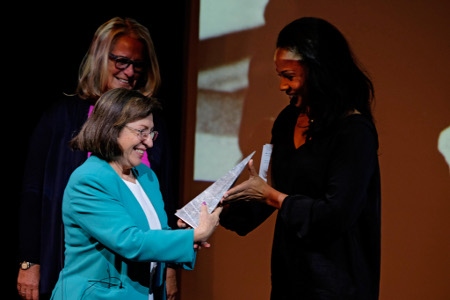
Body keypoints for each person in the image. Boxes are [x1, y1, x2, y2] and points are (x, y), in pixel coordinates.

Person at [17, 17, 180, 300]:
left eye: (138, 64)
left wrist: (170, 267)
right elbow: (34, 195)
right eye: (121, 61)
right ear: (99, 58)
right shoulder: (61, 118)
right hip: (78, 267)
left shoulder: (153, 127)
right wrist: (29, 262)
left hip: (136, 276)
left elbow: (162, 202)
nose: (130, 72)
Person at [220, 17, 381, 300]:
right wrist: (218, 208)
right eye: (280, 75)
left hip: (336, 284)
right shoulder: (287, 121)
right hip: (290, 278)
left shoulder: (354, 131)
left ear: (319, 72)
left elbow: (335, 214)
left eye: (290, 76)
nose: (283, 86)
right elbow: (277, 191)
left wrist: (272, 197)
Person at [49, 87, 222, 299]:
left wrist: (185, 235)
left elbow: (152, 236)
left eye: (151, 133)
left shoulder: (146, 176)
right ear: (112, 128)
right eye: (142, 132)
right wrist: (197, 235)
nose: (149, 142)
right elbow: (130, 242)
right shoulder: (89, 180)